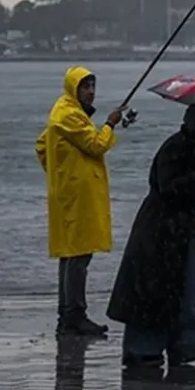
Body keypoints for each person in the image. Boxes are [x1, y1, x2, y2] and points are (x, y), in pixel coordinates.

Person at [106, 104, 195, 368]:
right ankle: (161, 350)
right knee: (170, 291)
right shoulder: (176, 147)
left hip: (172, 232)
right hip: (162, 234)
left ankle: (177, 348)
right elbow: (170, 188)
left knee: (180, 289)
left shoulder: (188, 147)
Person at [35, 65, 123, 336]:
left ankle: (67, 314)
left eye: (93, 87)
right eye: (86, 87)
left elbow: (41, 146)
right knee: (79, 255)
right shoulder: (69, 115)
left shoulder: (65, 112)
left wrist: (61, 172)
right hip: (76, 197)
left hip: (70, 194)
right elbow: (96, 145)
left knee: (71, 253)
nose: (91, 93)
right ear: (74, 88)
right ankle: (74, 315)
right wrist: (109, 124)